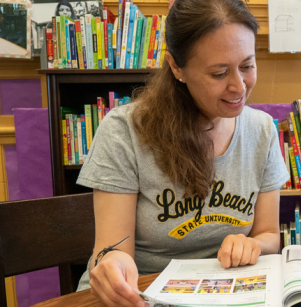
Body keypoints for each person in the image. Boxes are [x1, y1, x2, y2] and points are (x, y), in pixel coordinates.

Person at [75, 0, 289, 306]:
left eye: (247, 66)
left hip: (226, 293)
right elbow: (112, 249)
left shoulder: (263, 130)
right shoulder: (123, 130)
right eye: (218, 74)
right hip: (141, 295)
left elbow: (269, 233)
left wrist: (251, 244)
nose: (239, 86)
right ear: (177, 66)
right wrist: (111, 263)